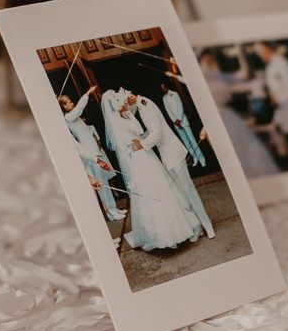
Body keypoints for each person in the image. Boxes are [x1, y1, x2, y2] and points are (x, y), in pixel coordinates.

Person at [101, 88, 200, 252]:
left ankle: (175, 230)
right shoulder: (118, 121)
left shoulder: (123, 115)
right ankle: (164, 236)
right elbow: (137, 133)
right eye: (118, 101)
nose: (122, 103)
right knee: (153, 192)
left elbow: (138, 131)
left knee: (162, 189)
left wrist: (128, 113)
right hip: (139, 159)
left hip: (144, 154)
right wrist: (129, 114)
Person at [128, 92, 214, 239]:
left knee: (189, 191)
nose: (129, 108)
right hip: (167, 155)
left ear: (130, 97)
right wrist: (141, 137)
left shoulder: (146, 106)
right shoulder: (141, 105)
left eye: (127, 104)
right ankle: (197, 226)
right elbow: (152, 129)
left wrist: (142, 144)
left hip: (173, 152)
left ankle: (207, 224)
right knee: (181, 193)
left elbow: (157, 134)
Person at [199, 52, 280, 178]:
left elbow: (241, 76)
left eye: (211, 58)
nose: (211, 61)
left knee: (247, 149)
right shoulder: (205, 76)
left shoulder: (217, 75)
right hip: (218, 119)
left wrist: (241, 56)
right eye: (207, 59)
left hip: (228, 117)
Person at [59, 88, 126, 221]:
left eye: (71, 101)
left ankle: (114, 208)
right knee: (101, 184)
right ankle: (110, 212)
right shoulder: (68, 118)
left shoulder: (74, 117)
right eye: (69, 102)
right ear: (64, 106)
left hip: (94, 151)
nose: (72, 104)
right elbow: (79, 108)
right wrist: (87, 93)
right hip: (89, 154)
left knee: (104, 180)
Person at [160, 80, 205, 167]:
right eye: (162, 89)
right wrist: (175, 121)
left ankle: (201, 159)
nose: (164, 89)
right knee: (187, 143)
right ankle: (195, 158)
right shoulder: (164, 99)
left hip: (183, 121)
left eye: (164, 87)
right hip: (176, 124)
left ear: (167, 86)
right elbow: (168, 111)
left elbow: (180, 106)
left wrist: (179, 119)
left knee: (192, 140)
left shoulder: (175, 94)